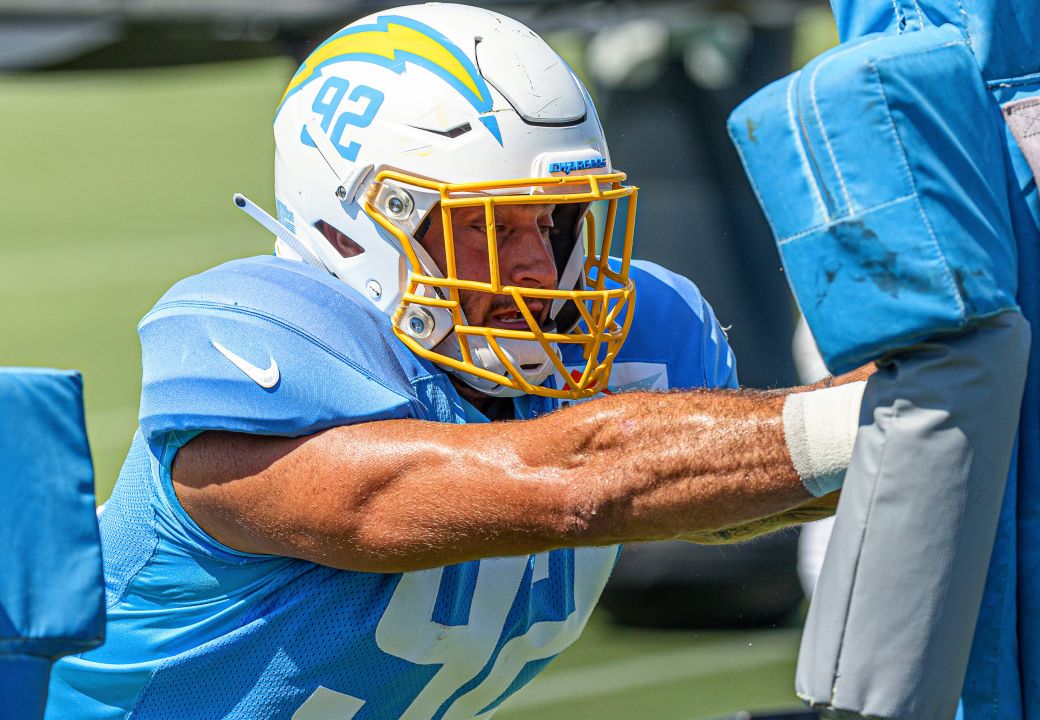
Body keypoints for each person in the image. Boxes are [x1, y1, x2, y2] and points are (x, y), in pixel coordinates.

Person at [45, 5, 863, 718]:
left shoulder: (618, 338)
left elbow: (726, 502)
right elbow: (570, 484)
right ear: (357, 223)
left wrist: (922, 421)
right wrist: (864, 419)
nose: (542, 269)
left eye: (558, 224)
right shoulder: (267, 347)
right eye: (492, 227)